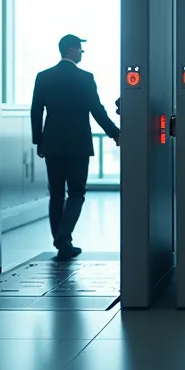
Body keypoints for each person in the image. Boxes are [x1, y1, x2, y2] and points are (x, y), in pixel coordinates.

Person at [30, 34, 120, 257]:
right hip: (78, 145)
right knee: (77, 192)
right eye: (80, 50)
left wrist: (38, 140)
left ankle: (61, 243)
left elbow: (36, 111)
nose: (82, 53)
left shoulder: (44, 77)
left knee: (56, 194)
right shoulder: (85, 78)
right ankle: (64, 237)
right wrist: (116, 133)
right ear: (71, 50)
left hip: (52, 144)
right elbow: (97, 110)